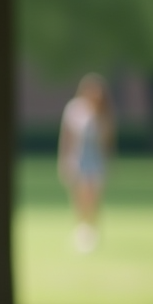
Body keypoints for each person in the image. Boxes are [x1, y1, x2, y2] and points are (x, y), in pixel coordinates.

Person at [57, 73, 115, 253]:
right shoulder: (74, 109)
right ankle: (82, 229)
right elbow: (66, 138)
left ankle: (92, 229)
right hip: (78, 158)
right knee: (80, 196)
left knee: (93, 196)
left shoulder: (104, 112)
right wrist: (63, 160)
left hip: (96, 159)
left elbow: (107, 141)